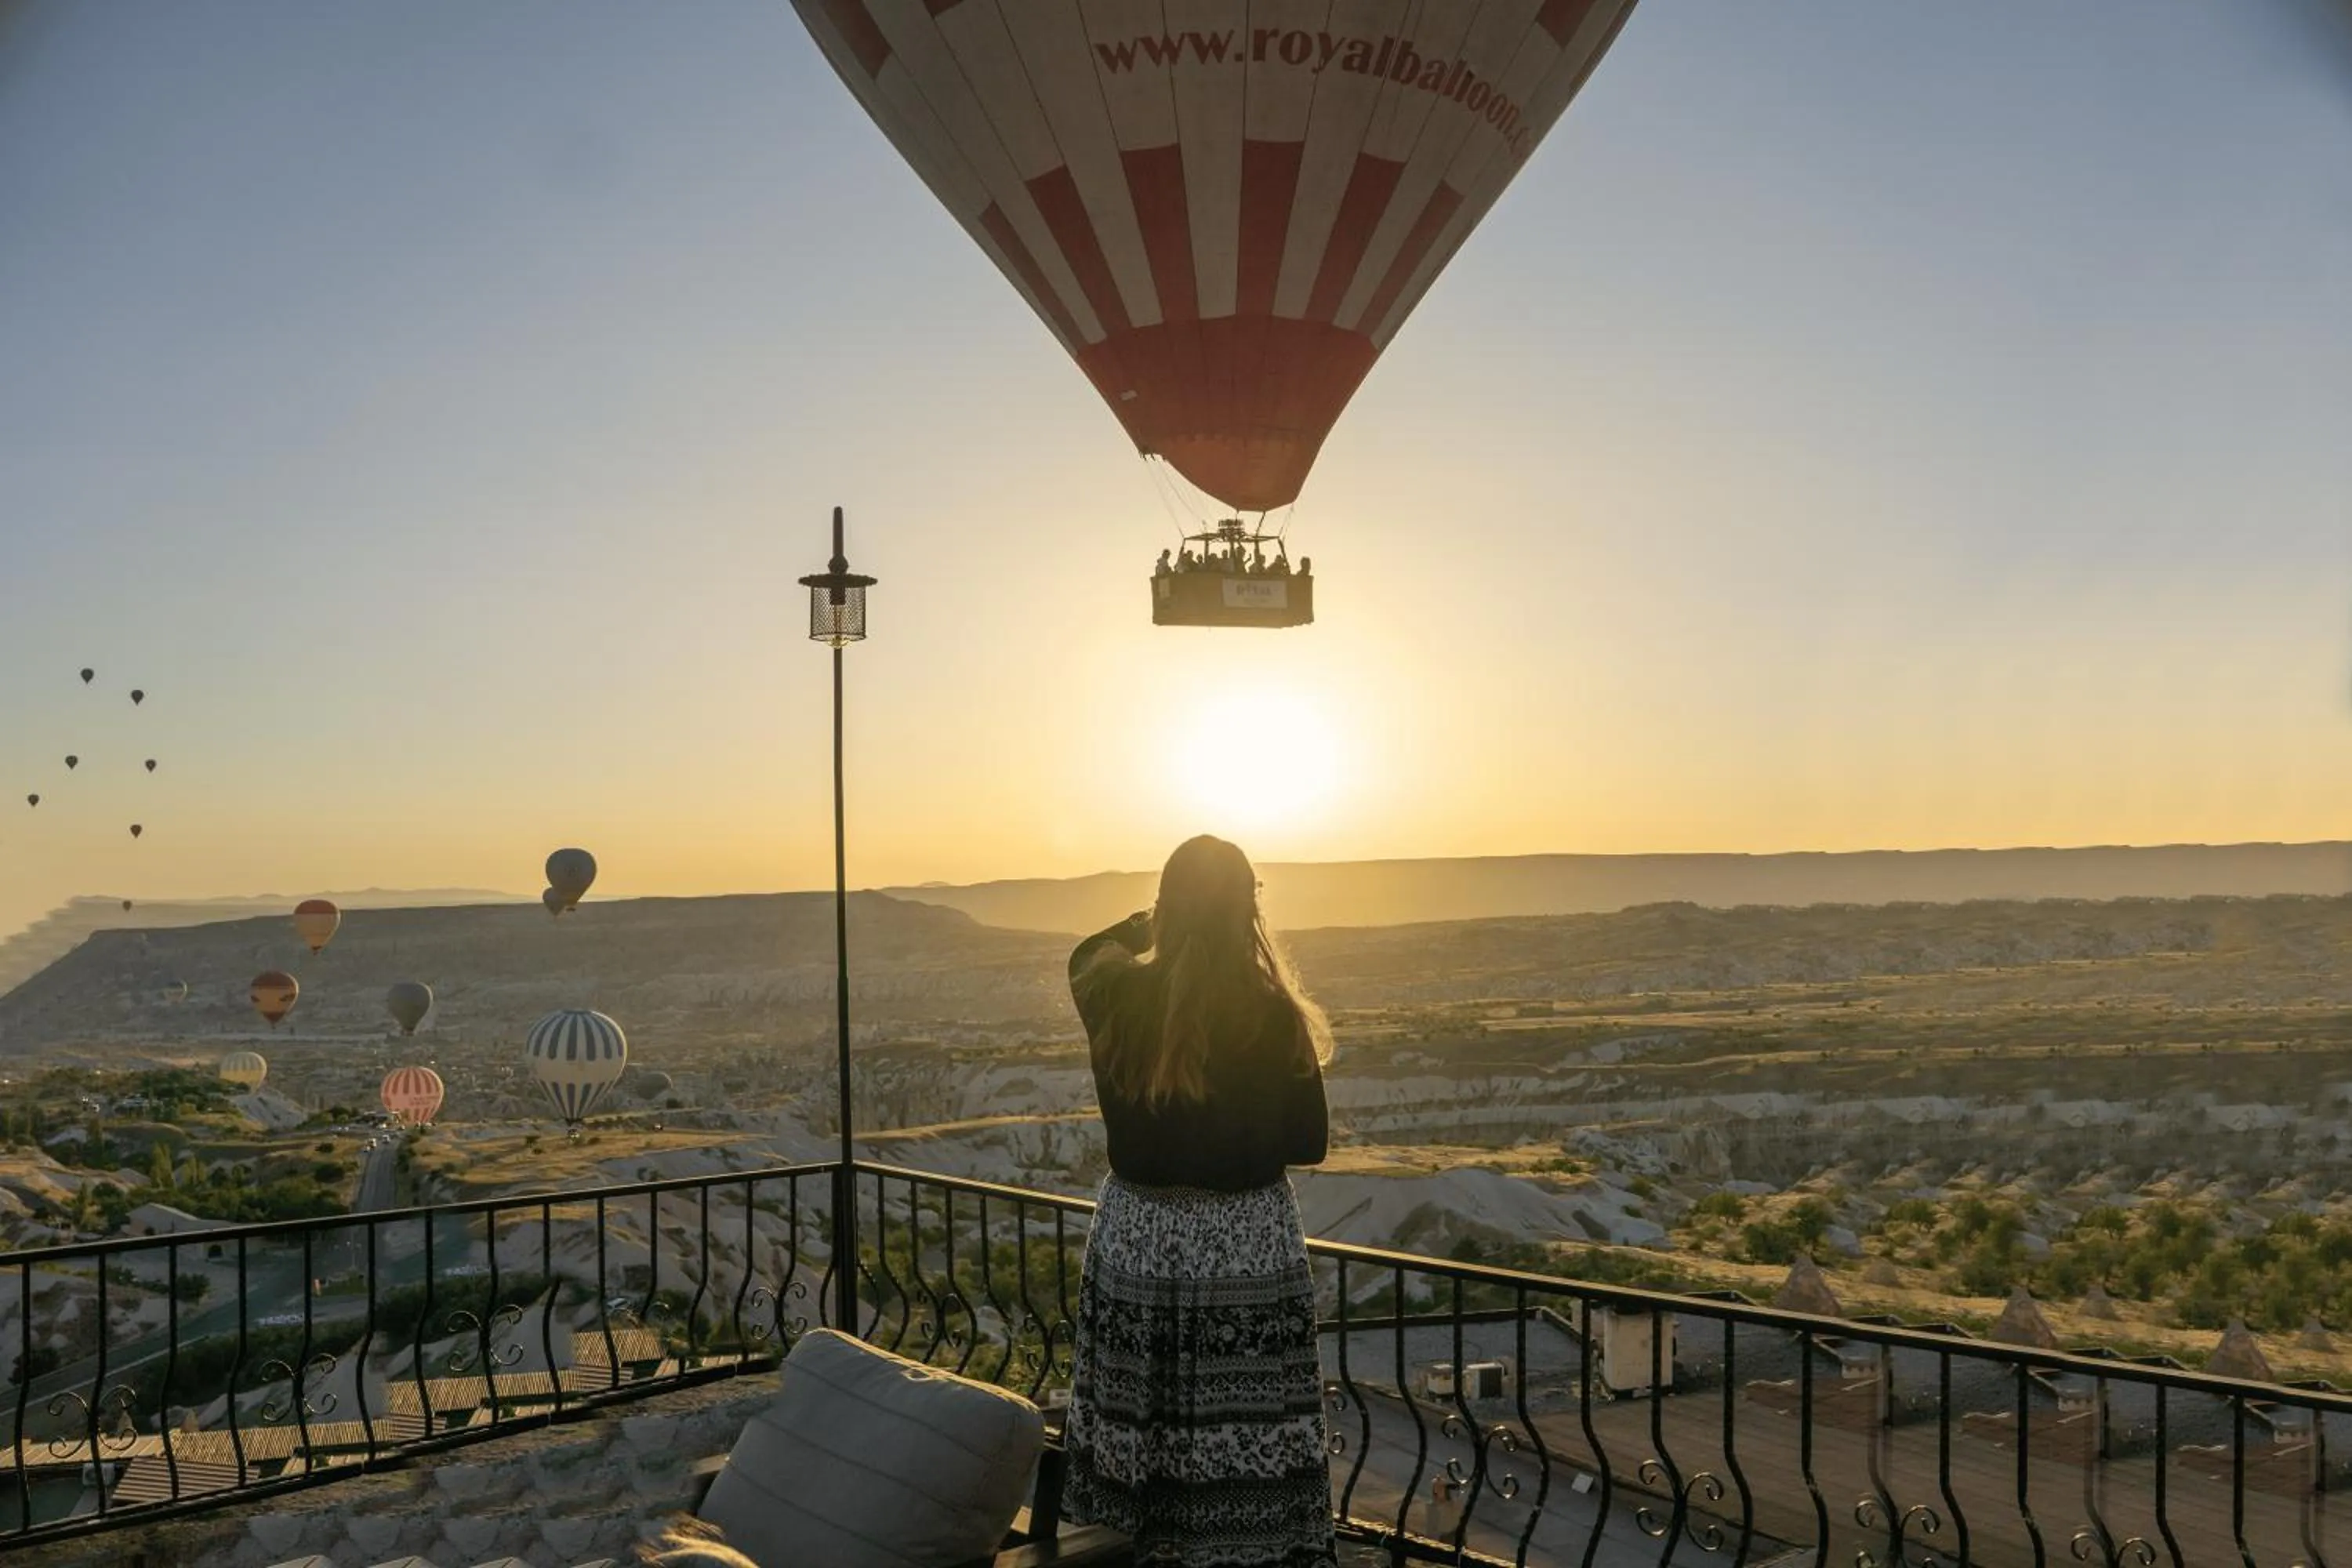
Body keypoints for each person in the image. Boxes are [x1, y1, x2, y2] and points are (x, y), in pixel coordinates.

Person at [1062, 836, 1336, 1568]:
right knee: (1240, 1418)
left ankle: (1124, 1547)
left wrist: (1138, 929)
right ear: (1249, 909)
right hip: (1242, 1242)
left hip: (1136, 1238)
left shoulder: (1117, 996)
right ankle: (1243, 1546)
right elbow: (1310, 1141)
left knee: (1138, 1410)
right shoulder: (1271, 1013)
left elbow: (1083, 955)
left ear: (1164, 907)